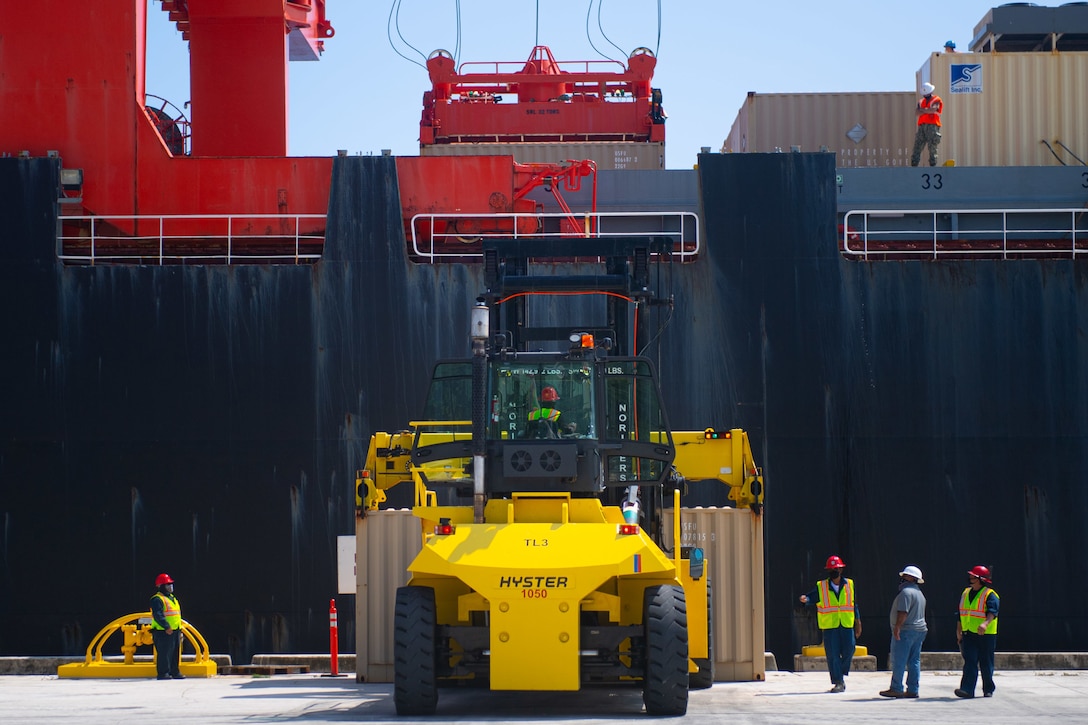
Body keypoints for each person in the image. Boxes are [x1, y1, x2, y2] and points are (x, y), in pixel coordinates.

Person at [799, 555, 861, 693]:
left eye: (837, 568)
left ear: (841, 570)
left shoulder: (849, 585)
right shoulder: (822, 587)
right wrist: (806, 599)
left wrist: (858, 622)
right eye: (832, 569)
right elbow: (811, 597)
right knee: (833, 655)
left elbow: (853, 604)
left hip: (846, 625)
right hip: (830, 627)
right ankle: (838, 681)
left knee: (850, 649)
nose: (834, 571)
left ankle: (842, 671)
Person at [880, 565, 928, 699]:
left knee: (899, 660)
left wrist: (897, 628)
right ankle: (913, 689)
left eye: (905, 576)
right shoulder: (919, 594)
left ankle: (896, 688)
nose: (902, 578)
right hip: (919, 631)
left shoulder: (906, 593)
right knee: (914, 661)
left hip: (906, 630)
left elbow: (903, 612)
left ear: (912, 578)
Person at [955, 565, 1000, 698]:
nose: (970, 578)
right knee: (970, 661)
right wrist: (958, 630)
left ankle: (988, 688)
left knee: (986, 662)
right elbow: (961, 613)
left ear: (980, 579)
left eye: (973, 576)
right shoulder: (965, 593)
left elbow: (993, 612)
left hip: (986, 635)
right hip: (968, 633)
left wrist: (985, 624)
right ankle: (967, 690)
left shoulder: (990, 595)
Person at [150, 572, 185, 680]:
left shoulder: (172, 598)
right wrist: (166, 626)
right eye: (167, 584)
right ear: (161, 586)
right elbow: (158, 614)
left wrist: (179, 629)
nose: (170, 586)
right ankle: (163, 673)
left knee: (175, 653)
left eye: (171, 584)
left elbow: (176, 615)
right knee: (164, 653)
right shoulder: (157, 599)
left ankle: (175, 672)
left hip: (175, 630)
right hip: (163, 631)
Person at [910, 82, 943, 167]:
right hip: (922, 126)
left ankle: (933, 165)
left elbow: (932, 110)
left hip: (933, 125)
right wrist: (926, 110)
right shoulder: (921, 101)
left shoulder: (936, 99)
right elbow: (917, 113)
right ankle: (914, 164)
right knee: (918, 145)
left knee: (932, 146)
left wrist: (923, 110)